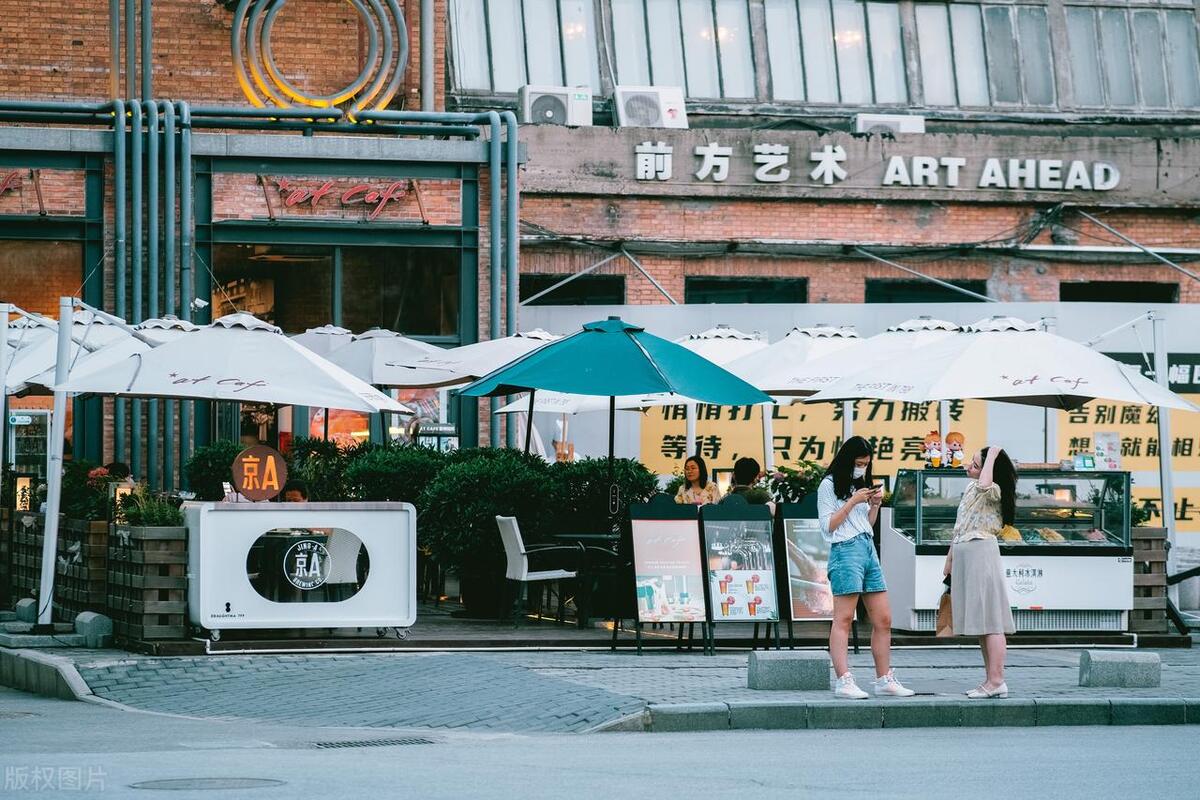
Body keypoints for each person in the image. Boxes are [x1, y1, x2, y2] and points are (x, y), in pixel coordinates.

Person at [818, 436, 915, 700]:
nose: (862, 468)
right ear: (847, 460)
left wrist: (873, 506)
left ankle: (884, 678)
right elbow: (828, 526)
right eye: (858, 463)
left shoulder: (859, 484)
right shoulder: (828, 486)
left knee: (883, 618)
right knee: (844, 618)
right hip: (845, 550)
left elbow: (866, 524)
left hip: (867, 548)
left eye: (865, 464)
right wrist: (851, 502)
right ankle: (844, 680)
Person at [945, 446, 1016, 699]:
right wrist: (950, 558)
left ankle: (997, 680)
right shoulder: (970, 489)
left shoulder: (992, 489)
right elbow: (959, 526)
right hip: (966, 551)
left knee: (991, 620)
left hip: (981, 551)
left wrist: (993, 455)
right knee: (982, 622)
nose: (969, 467)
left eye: (975, 465)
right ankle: (990, 680)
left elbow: (986, 483)